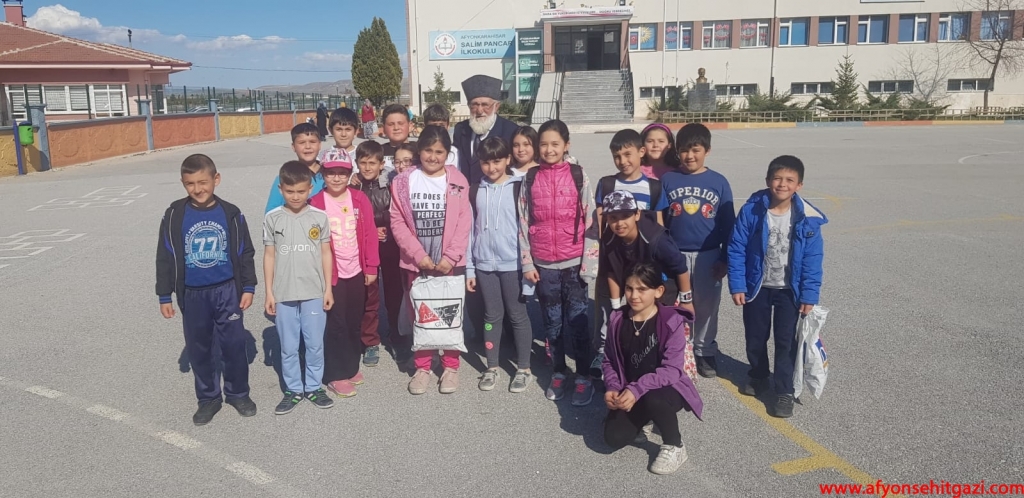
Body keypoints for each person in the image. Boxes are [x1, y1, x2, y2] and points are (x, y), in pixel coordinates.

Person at [156, 154, 258, 426]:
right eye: (190, 184)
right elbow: (164, 256)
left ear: (216, 179)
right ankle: (208, 398)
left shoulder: (231, 213)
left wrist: (248, 286)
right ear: (183, 183)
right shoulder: (175, 215)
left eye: (203, 182)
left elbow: (246, 252)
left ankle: (238, 393)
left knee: (234, 344)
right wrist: (164, 294)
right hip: (192, 294)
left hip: (227, 290)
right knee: (199, 347)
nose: (198, 189)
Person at [728, 155, 826, 419]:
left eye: (789, 180)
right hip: (757, 287)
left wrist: (809, 294)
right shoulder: (752, 211)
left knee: (785, 341)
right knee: (755, 336)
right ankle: (759, 375)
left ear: (799, 185)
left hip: (788, 291)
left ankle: (784, 390)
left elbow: (813, 259)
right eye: (777, 178)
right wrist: (738, 284)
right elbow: (736, 247)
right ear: (767, 180)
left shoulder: (807, 218)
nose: (782, 184)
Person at [519, 119, 599, 406]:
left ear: (566, 145)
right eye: (543, 144)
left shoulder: (578, 175)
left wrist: (589, 264)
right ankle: (558, 371)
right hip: (543, 265)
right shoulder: (530, 178)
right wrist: (528, 263)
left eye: (555, 144)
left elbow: (591, 220)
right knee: (552, 323)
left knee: (578, 322)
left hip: (574, 263)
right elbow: (522, 221)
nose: (549, 150)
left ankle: (584, 376)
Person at [389, 125, 473, 394]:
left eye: (439, 152)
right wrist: (419, 256)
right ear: (419, 151)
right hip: (417, 263)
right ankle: (423, 366)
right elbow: (397, 222)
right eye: (428, 150)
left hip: (449, 263)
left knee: (449, 315)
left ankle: (451, 366)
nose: (433, 157)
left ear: (447, 154)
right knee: (421, 315)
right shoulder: (404, 181)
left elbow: (464, 222)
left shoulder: (458, 180)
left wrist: (451, 256)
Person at [602, 263, 703, 475]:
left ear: (658, 291)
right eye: (629, 288)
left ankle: (675, 445)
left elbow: (672, 370)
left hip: (666, 388)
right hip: (632, 389)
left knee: (653, 398)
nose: (634, 295)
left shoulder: (670, 321)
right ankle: (647, 417)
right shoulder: (617, 319)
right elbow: (609, 360)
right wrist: (612, 387)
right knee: (614, 438)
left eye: (642, 289)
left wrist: (637, 389)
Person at [661, 123, 735, 379]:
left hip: (708, 255)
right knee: (672, 304)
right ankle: (675, 349)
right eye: (684, 150)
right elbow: (660, 222)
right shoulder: (668, 180)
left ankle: (704, 350)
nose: (689, 156)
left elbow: (728, 224)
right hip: (675, 254)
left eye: (696, 150)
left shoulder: (718, 182)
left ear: (707, 150)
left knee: (706, 306)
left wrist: (725, 258)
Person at [263, 161, 336, 414]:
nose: (296, 196)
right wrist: (269, 292)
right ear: (281, 189)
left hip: (314, 292)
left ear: (310, 189)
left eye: (301, 191)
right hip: (284, 293)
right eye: (290, 191)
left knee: (314, 344)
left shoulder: (319, 217)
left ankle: (314, 387)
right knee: (288, 346)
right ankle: (293, 389)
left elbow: (326, 253)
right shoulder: (273, 218)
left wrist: (327, 289)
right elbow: (269, 255)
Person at [596, 190, 693, 373]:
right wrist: (616, 308)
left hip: (664, 292)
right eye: (613, 218)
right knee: (637, 335)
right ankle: (637, 373)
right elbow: (612, 272)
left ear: (637, 214)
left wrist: (687, 300)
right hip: (637, 292)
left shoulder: (656, 238)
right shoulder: (609, 239)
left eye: (625, 216)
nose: (619, 223)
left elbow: (680, 267)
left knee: (664, 335)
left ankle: (673, 376)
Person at [466, 136, 533, 393]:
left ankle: (524, 368)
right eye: (486, 162)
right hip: (484, 264)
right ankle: (491, 366)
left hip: (513, 263)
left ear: (507, 159)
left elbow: (526, 228)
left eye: (497, 161)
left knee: (517, 315)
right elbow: (470, 232)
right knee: (491, 317)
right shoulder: (475, 190)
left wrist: (528, 264)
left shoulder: (519, 187)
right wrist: (470, 268)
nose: (491, 168)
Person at [309, 158, 380, 398]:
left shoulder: (359, 199)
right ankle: (334, 373)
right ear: (323, 175)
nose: (337, 178)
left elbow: (369, 234)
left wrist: (371, 266)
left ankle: (350, 366)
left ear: (350, 174)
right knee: (335, 323)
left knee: (353, 320)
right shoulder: (316, 203)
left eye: (342, 173)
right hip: (332, 274)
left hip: (356, 270)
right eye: (331, 173)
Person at [354, 140, 406, 367]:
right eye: (363, 163)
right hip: (365, 248)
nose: (367, 168)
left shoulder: (390, 184)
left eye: (372, 163)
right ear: (357, 163)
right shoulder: (354, 187)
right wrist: (371, 230)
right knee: (369, 295)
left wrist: (384, 226)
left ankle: (398, 336)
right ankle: (370, 341)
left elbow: (397, 212)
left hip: (390, 245)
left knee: (395, 294)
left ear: (381, 163)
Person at [595, 128, 668, 233]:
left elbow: (658, 226)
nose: (622, 161)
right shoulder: (606, 185)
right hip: (614, 243)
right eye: (617, 156)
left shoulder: (655, 188)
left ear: (641, 152)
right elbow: (600, 225)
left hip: (644, 243)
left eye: (627, 154)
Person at [453, 75, 519, 185]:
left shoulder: (511, 131)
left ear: (496, 107)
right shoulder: (461, 129)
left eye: (485, 105)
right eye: (475, 105)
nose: (479, 111)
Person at [265, 123, 325, 213]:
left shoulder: (330, 174)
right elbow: (271, 212)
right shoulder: (286, 176)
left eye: (312, 142)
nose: (308, 147)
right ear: (293, 147)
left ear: (319, 145)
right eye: (302, 143)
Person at [423, 103, 461, 167]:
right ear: (425, 126)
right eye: (433, 126)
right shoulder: (419, 151)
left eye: (442, 126)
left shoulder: (456, 153)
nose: (437, 129)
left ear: (448, 126)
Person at [380, 104, 412, 170]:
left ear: (410, 126)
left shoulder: (420, 151)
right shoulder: (377, 152)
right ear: (384, 128)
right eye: (391, 124)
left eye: (401, 123)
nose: (396, 128)